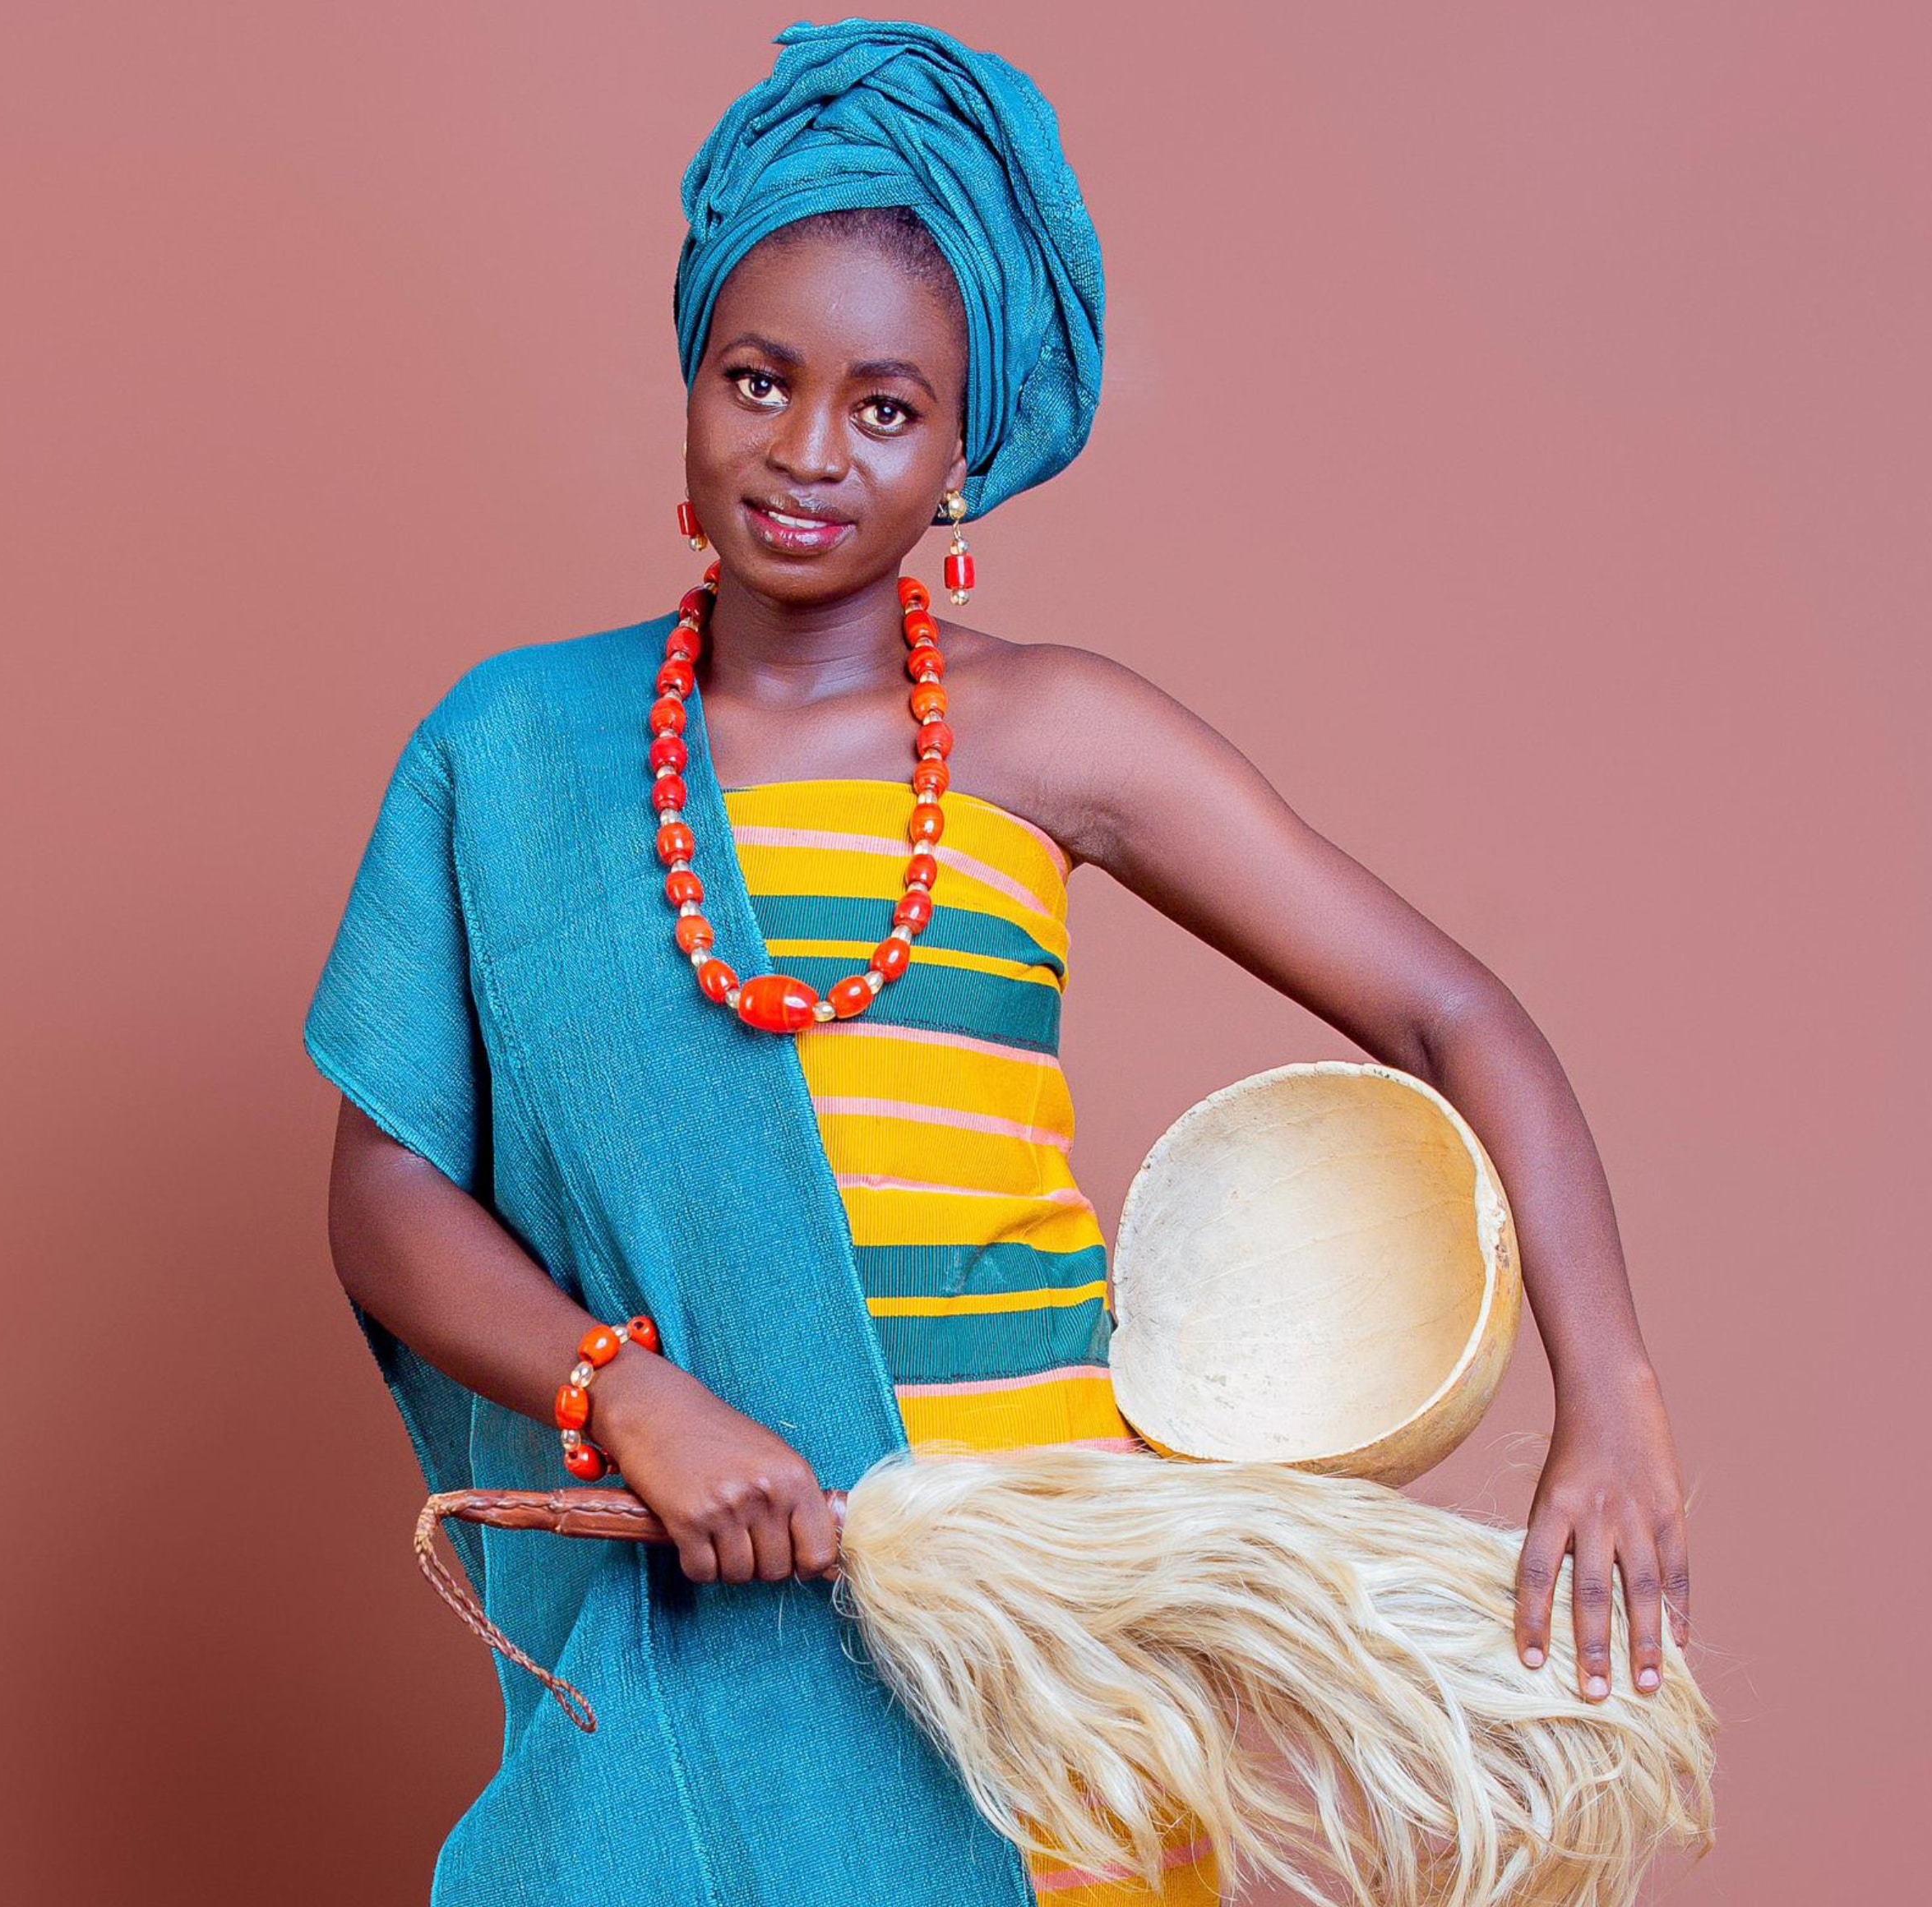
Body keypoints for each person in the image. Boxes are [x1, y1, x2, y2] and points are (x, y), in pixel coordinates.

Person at [304, 19, 1692, 1906]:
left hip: (1037, 1622)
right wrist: (623, 1390)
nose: (808, 451)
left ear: (963, 450)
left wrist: (1611, 1394)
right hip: (707, 1592)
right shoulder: (515, 752)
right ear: (693, 378)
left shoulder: (1058, 734)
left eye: (884, 408)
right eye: (759, 379)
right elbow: (386, 1190)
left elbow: (1455, 1013)